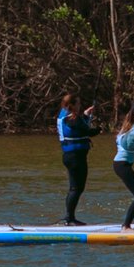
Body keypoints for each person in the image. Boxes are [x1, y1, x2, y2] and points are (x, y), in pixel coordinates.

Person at [57, 93, 102, 224]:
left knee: (75, 188)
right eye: (77, 104)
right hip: (75, 158)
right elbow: (87, 131)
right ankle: (69, 218)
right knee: (76, 189)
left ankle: (69, 217)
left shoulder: (64, 114)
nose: (79, 105)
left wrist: (86, 114)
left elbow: (77, 123)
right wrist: (99, 129)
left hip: (71, 156)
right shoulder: (72, 119)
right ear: (71, 105)